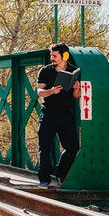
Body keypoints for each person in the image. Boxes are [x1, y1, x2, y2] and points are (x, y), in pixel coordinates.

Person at [36, 43, 81, 189]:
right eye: (51, 55)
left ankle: (61, 173)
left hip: (66, 114)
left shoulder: (74, 71)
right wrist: (51, 91)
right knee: (45, 147)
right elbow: (39, 92)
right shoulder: (45, 71)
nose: (52, 58)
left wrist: (76, 89)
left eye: (54, 56)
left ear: (64, 56)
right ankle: (44, 180)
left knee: (73, 147)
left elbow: (76, 96)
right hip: (48, 113)